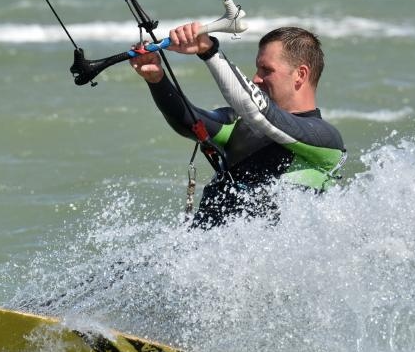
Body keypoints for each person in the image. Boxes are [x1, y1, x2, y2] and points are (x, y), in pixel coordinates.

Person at [130, 23, 346, 228]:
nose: (256, 78)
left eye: (266, 70)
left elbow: (262, 114)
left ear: (300, 74)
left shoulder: (325, 140)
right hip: (199, 256)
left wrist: (209, 51)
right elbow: (189, 121)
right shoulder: (238, 124)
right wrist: (157, 79)